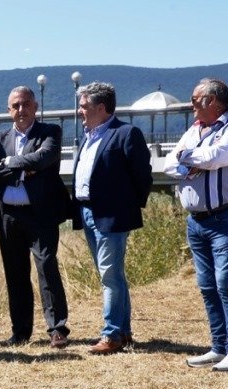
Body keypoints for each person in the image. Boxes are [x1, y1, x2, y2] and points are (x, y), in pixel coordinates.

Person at [163, 78, 228, 373]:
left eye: (195, 99)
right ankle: (219, 346)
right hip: (196, 222)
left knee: (225, 283)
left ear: (213, 100)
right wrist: (192, 162)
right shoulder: (194, 130)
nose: (191, 104)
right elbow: (169, 165)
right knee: (207, 285)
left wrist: (191, 158)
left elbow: (219, 155)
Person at [0, 86, 73, 348]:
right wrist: (23, 170)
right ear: (8, 110)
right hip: (8, 216)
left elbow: (44, 158)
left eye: (26, 104)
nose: (21, 110)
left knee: (46, 267)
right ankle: (20, 331)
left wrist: (8, 163)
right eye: (15, 106)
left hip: (40, 215)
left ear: (35, 107)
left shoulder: (50, 132)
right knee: (15, 273)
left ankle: (57, 329)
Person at [72, 82, 152, 355]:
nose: (80, 111)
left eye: (84, 106)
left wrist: (127, 207)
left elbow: (142, 176)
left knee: (109, 276)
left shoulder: (126, 134)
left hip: (112, 215)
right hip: (87, 212)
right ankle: (124, 331)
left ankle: (111, 334)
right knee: (111, 275)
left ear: (101, 108)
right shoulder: (88, 135)